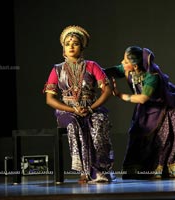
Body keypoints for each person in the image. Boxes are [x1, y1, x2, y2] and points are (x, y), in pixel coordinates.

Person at [105, 46, 175, 179]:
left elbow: (143, 98)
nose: (122, 63)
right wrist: (93, 71)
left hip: (167, 107)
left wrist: (119, 95)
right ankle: (140, 171)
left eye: (126, 61)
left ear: (135, 66)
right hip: (148, 111)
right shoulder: (128, 69)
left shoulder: (152, 76)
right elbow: (109, 71)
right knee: (140, 136)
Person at [43, 25, 115, 183]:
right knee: (74, 124)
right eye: (67, 44)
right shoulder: (57, 70)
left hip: (91, 108)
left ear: (82, 46)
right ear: (63, 47)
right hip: (67, 111)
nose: (71, 46)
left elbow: (107, 91)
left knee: (98, 122)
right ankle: (84, 171)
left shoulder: (92, 66)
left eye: (75, 43)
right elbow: (50, 99)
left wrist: (90, 108)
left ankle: (100, 169)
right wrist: (72, 108)